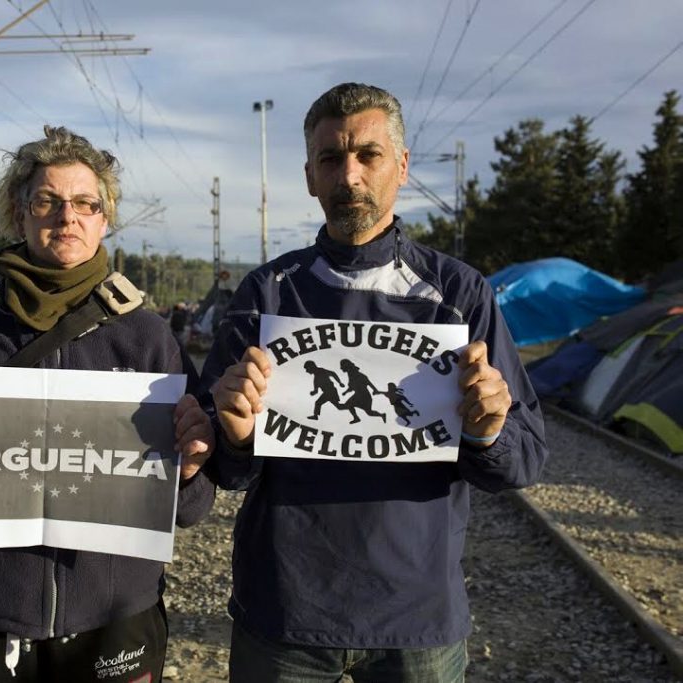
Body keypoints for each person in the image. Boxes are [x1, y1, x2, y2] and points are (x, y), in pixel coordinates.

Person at [203, 82, 548, 683]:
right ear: (310, 175)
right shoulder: (266, 294)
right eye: (331, 160)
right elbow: (224, 473)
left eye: (368, 155)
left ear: (402, 167)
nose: (350, 176)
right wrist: (231, 436)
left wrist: (490, 432)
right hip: (283, 613)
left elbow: (524, 460)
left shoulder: (459, 293)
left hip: (416, 621)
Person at [0, 125, 216, 682]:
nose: (67, 216)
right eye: (47, 201)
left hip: (116, 618)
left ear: (105, 218)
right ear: (19, 213)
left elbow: (191, 508)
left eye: (85, 203)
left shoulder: (150, 339)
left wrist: (194, 468)